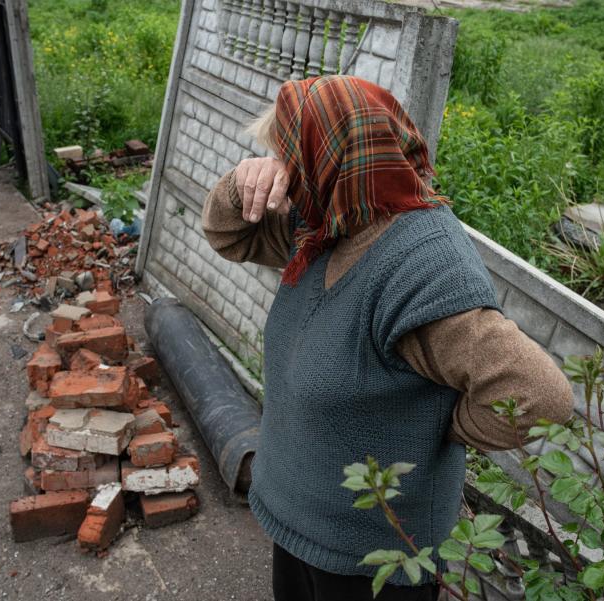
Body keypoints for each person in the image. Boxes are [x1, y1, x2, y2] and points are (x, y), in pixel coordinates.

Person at [201, 75, 574, 601]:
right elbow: (227, 234)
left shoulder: (420, 265)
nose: (287, 170)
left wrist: (436, 430)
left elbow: (541, 396)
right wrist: (245, 183)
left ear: (334, 158)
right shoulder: (326, 223)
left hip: (373, 561)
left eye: (291, 155)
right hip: (300, 528)